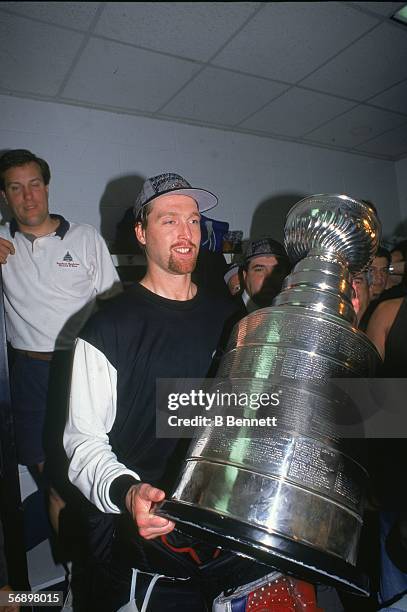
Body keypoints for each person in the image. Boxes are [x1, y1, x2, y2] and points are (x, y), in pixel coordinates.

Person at [63, 173, 268, 611]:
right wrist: (127, 492)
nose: (186, 233)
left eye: (193, 221)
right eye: (169, 220)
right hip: (137, 540)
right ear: (141, 232)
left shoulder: (229, 316)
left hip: (214, 532)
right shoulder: (107, 327)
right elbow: (82, 443)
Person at [0, 149, 121, 530]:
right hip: (31, 376)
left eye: (34, 184)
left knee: (83, 480)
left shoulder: (85, 238)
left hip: (79, 372)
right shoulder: (1, 243)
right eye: (16, 188)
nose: (28, 196)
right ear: (5, 196)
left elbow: (116, 308)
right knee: (55, 485)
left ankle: (91, 570)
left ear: (47, 187)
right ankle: (73, 575)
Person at [240, 237, 291, 312]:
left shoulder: (292, 313)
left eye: (277, 271)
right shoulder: (224, 315)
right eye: (259, 270)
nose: (269, 279)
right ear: (245, 276)